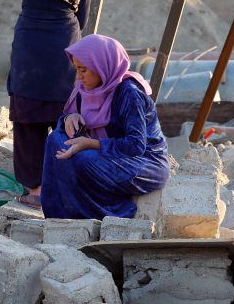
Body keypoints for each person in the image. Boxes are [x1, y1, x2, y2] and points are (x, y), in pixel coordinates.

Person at [0, 0, 93, 207]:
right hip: (64, 48)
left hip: (29, 45)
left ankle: (35, 191)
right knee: (65, 116)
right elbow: (83, 18)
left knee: (27, 116)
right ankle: (64, 190)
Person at [40, 34, 169, 220]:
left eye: (83, 70)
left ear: (101, 67)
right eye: (77, 69)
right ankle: (60, 217)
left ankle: (106, 215)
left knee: (84, 160)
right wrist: (70, 117)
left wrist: (92, 144)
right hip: (109, 154)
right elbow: (71, 120)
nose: (78, 76)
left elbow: (136, 145)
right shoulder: (86, 88)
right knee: (55, 140)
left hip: (145, 162)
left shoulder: (130, 94)